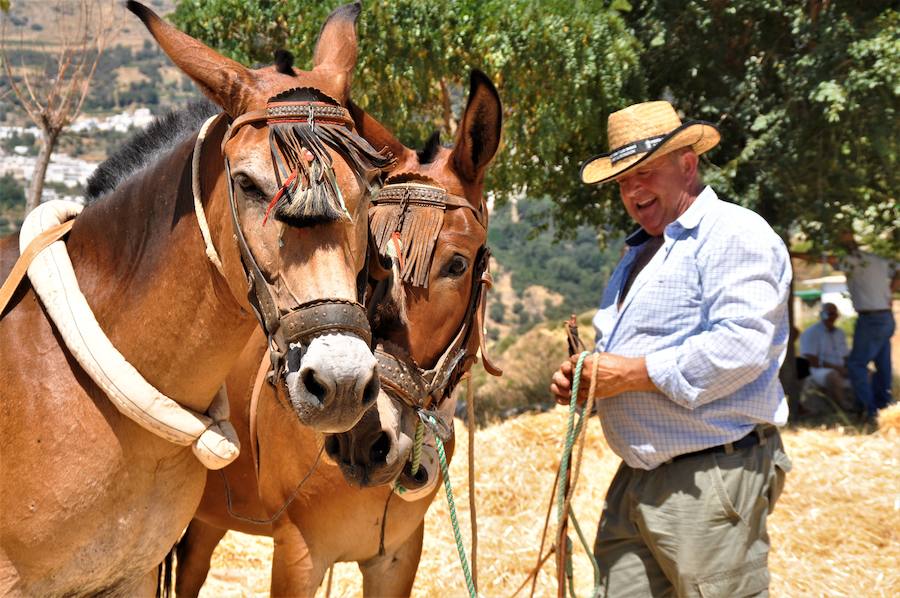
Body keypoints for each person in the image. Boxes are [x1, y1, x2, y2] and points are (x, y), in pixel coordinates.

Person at [550, 100, 793, 597]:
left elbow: (743, 345)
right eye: (622, 180)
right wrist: (590, 384)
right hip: (638, 480)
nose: (633, 190)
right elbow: (638, 352)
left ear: (688, 162)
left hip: (710, 479)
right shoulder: (643, 249)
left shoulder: (733, 233)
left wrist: (630, 375)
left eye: (646, 171)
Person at [792, 233, 898, 419]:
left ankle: (867, 410)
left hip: (870, 318)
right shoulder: (876, 259)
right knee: (883, 364)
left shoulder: (851, 261)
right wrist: (889, 292)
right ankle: (883, 407)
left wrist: (794, 253)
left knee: (857, 365)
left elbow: (822, 259)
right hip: (885, 317)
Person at [798, 302, 854, 414]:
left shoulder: (840, 333)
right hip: (817, 370)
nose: (831, 316)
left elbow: (845, 356)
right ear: (822, 315)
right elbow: (810, 359)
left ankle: (868, 405)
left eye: (834, 314)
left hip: (839, 368)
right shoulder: (811, 332)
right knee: (833, 375)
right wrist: (838, 368)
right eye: (829, 313)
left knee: (866, 373)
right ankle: (843, 407)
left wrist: (851, 368)